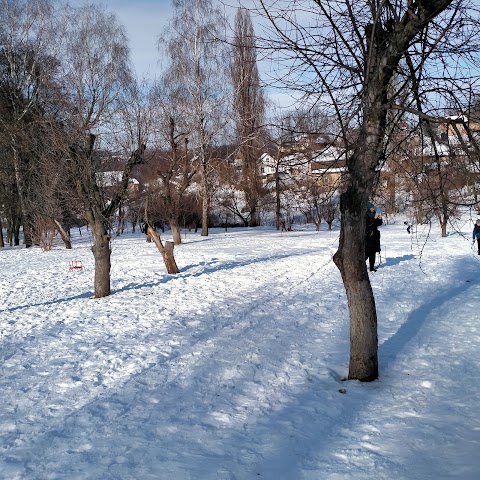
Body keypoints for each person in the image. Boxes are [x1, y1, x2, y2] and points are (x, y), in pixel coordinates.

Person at [365, 201, 382, 271]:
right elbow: (368, 224)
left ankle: (372, 267)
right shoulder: (365, 215)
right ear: (368, 208)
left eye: (373, 207)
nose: (373, 209)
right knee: (366, 252)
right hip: (368, 236)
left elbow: (379, 224)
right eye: (371, 207)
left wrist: (380, 218)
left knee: (373, 252)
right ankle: (362, 265)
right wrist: (374, 219)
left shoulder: (375, 214)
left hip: (375, 236)